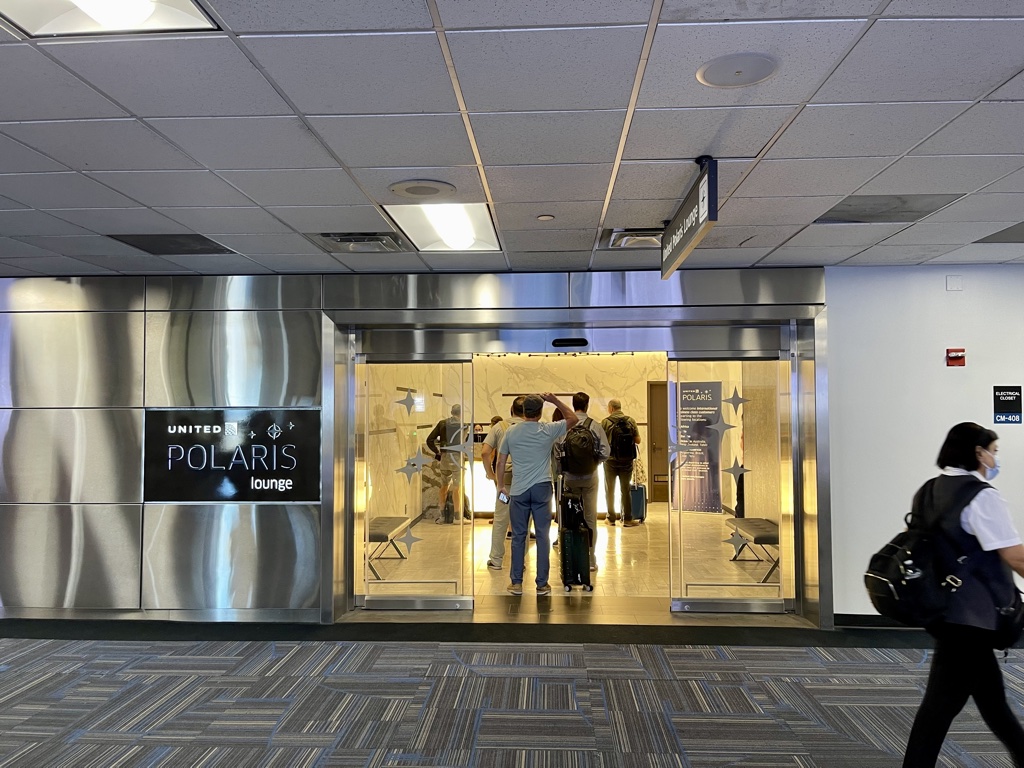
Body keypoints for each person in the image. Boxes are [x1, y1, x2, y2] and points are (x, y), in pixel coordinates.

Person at [903, 422, 1024, 767]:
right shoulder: (983, 496)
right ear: (978, 452)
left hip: (941, 610)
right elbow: (1015, 556)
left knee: (993, 702)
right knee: (939, 710)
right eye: (994, 451)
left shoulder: (928, 490)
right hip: (974, 616)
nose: (995, 458)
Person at [496, 393, 578, 596]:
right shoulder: (548, 429)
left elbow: (500, 461)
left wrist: (500, 486)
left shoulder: (511, 432)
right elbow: (573, 419)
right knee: (543, 536)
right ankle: (542, 584)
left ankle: (516, 583)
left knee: (518, 537)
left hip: (518, 490)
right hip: (542, 488)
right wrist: (555, 401)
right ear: (540, 412)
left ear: (523, 412)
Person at [559, 391, 610, 571]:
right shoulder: (595, 426)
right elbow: (605, 451)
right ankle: (590, 560)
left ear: (573, 405)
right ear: (587, 405)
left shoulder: (565, 426)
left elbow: (558, 450)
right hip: (590, 478)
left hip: (570, 479)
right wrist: (594, 462)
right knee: (590, 519)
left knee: (570, 519)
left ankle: (571, 559)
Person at [481, 396, 524, 571]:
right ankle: (520, 562)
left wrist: (491, 474)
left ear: (511, 410)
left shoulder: (499, 427)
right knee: (523, 521)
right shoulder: (533, 427)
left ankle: (497, 560)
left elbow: (485, 452)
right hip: (525, 481)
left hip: (504, 483)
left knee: (501, 519)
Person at [425, 404, 470, 522]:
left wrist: (437, 452)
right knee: (457, 487)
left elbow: (429, 440)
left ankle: (442, 516)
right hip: (457, 458)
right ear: (461, 413)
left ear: (451, 412)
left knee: (444, 486)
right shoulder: (464, 426)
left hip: (444, 457)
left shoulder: (442, 423)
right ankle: (457, 518)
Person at [601, 398, 641, 527]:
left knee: (610, 490)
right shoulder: (630, 421)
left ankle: (611, 518)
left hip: (610, 461)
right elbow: (638, 440)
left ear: (611, 408)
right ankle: (628, 519)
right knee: (626, 489)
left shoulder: (605, 422)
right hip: (626, 461)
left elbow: (601, 442)